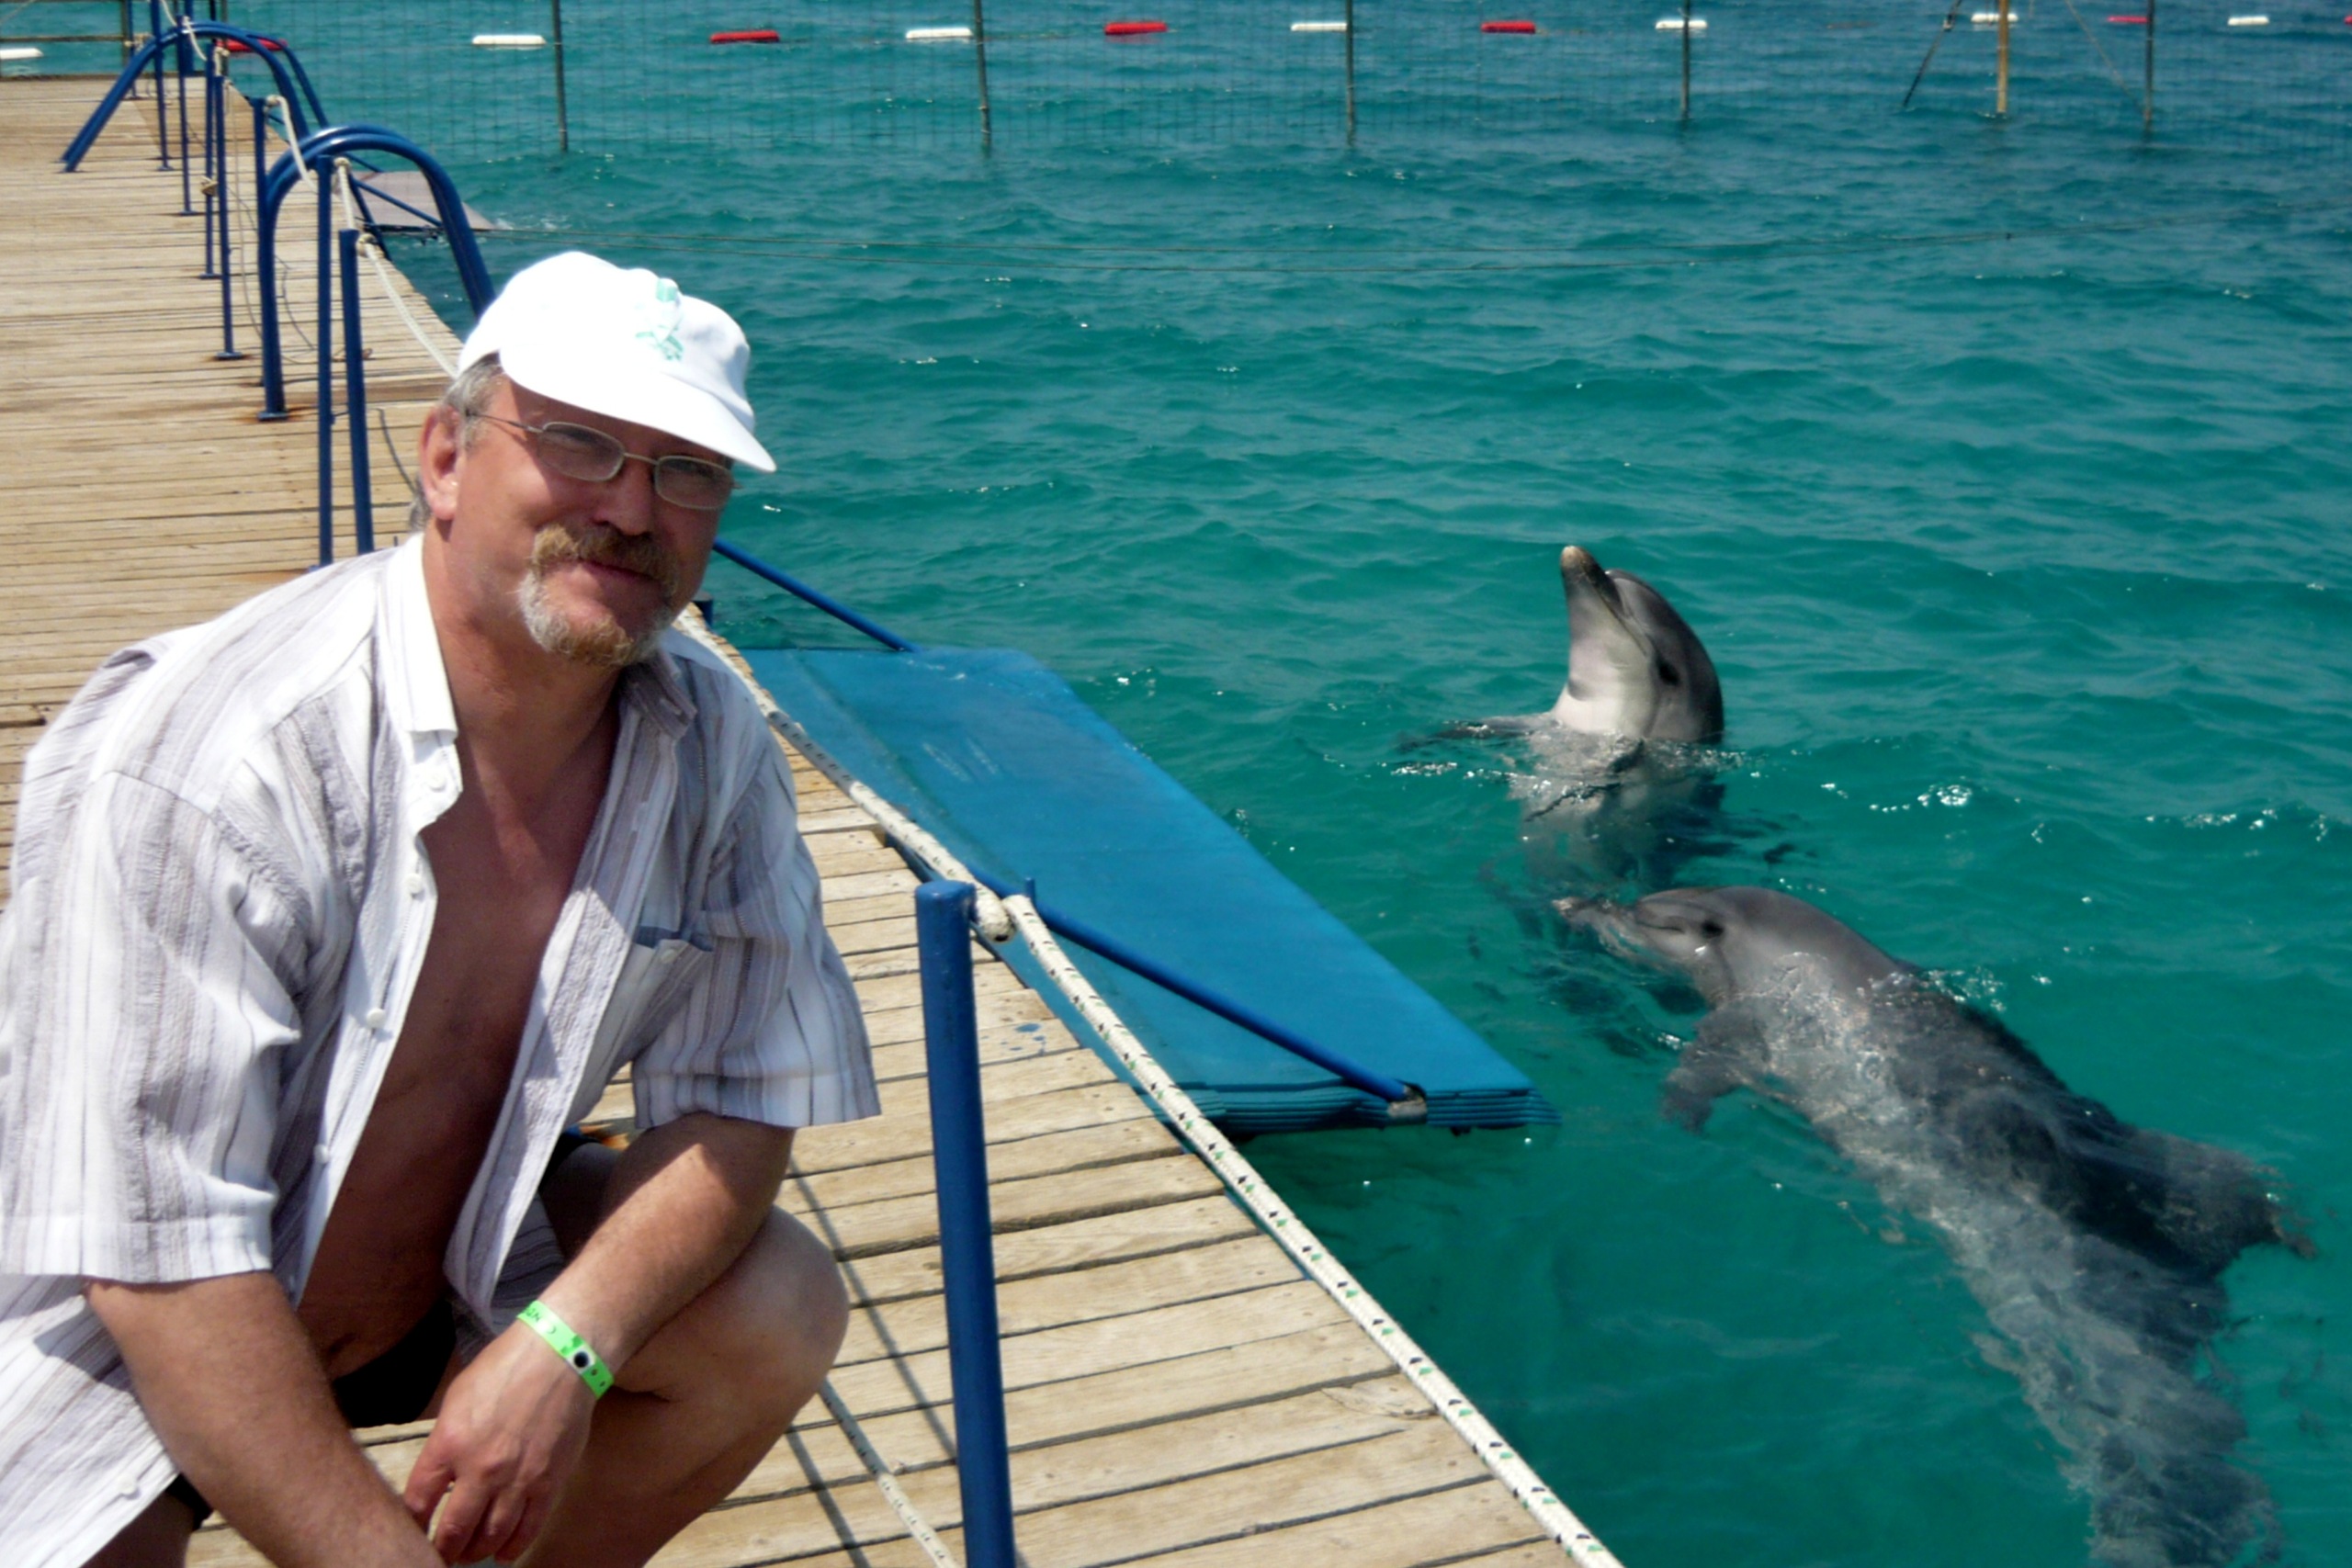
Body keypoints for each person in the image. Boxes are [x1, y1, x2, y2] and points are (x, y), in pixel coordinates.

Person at [0, 252, 879, 1568]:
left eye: (687, 470)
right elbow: (158, 1257)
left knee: (776, 1307)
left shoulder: (707, 740)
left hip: (452, 1264)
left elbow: (744, 1096)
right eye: (579, 445)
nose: (631, 508)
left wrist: (568, 1344)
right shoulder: (218, 757)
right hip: (117, 1312)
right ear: (448, 458)